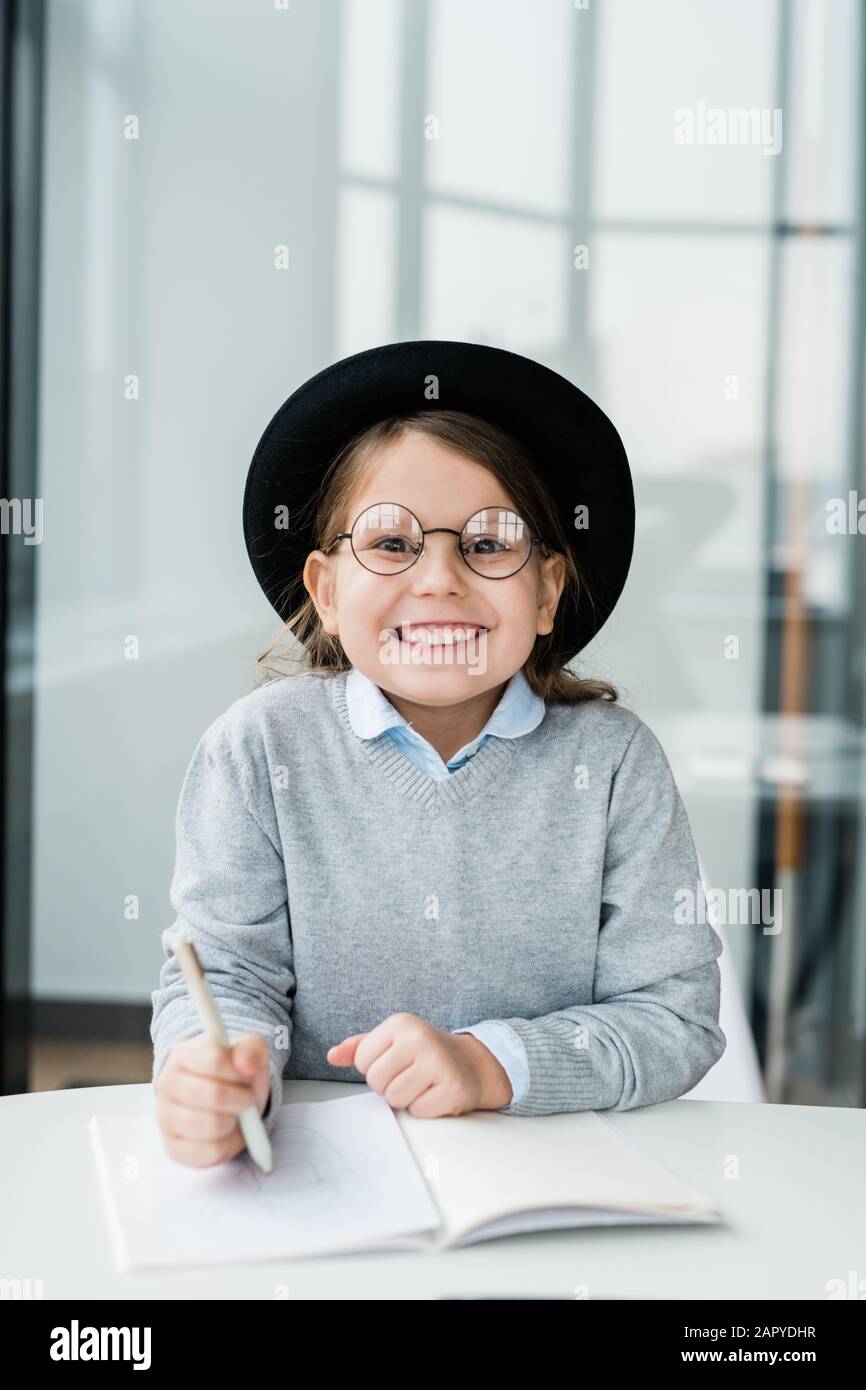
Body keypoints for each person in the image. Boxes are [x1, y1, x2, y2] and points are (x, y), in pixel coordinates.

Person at [151, 338, 725, 1168]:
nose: (440, 579)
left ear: (549, 592)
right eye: (392, 544)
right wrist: (216, 1075)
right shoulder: (257, 749)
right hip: (321, 1169)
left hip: (547, 1165)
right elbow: (225, 979)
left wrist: (491, 1064)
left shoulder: (613, 765)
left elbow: (674, 1016)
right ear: (326, 591)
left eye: (490, 544)